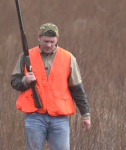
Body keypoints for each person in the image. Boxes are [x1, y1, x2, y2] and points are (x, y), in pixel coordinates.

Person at [11, 22, 91, 150]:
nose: (49, 45)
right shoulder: (26, 56)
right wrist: (25, 81)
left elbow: (77, 89)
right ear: (39, 37)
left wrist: (85, 115)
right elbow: (14, 82)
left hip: (59, 118)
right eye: (46, 41)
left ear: (57, 39)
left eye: (52, 42)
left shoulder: (68, 58)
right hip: (34, 116)